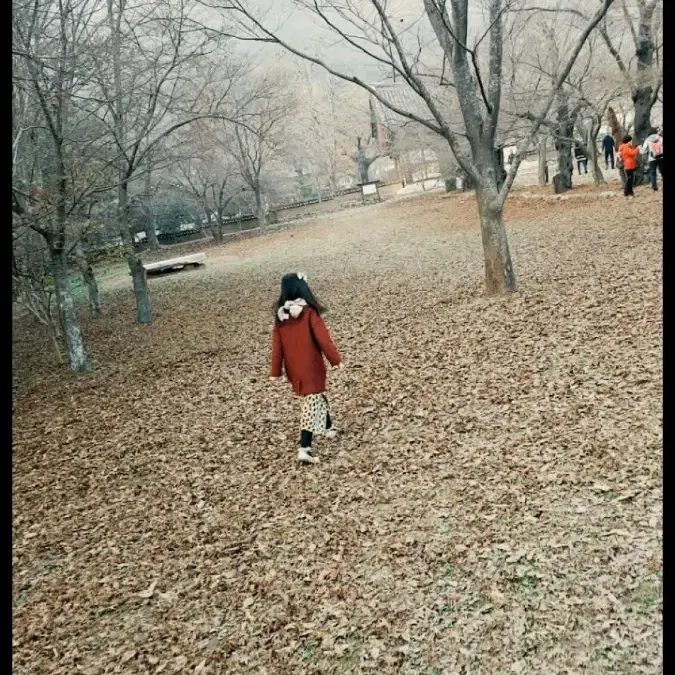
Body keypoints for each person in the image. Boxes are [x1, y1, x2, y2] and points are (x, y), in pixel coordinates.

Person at [269, 272, 342, 464]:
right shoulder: (309, 313)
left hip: (294, 369)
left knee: (315, 394)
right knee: (311, 400)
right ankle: (305, 447)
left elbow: (277, 347)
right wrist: (335, 359)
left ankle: (329, 427)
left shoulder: (281, 317)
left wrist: (275, 371)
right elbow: (323, 339)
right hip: (311, 366)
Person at [641, 126, 663, 191]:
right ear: (656, 132)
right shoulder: (661, 138)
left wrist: (640, 149)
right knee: (662, 171)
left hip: (652, 158)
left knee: (653, 173)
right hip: (661, 157)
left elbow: (644, 151)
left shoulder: (647, 140)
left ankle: (654, 187)